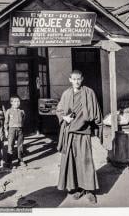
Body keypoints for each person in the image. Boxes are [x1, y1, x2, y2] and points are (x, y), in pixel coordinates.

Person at [56, 70, 102, 203]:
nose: (76, 81)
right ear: (70, 80)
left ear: (82, 79)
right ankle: (77, 188)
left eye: (78, 79)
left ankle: (90, 190)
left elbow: (96, 111)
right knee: (73, 163)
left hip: (83, 133)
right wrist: (64, 117)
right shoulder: (66, 94)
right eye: (74, 79)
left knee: (86, 162)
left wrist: (100, 129)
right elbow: (59, 110)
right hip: (70, 133)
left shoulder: (89, 93)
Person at [4, 95, 26, 168]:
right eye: (15, 101)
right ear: (11, 103)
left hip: (20, 130)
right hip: (11, 130)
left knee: (20, 145)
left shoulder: (22, 111)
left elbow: (23, 120)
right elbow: (6, 122)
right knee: (10, 146)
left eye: (18, 101)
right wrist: (6, 131)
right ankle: (9, 163)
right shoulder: (9, 111)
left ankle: (20, 160)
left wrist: (21, 128)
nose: (17, 103)